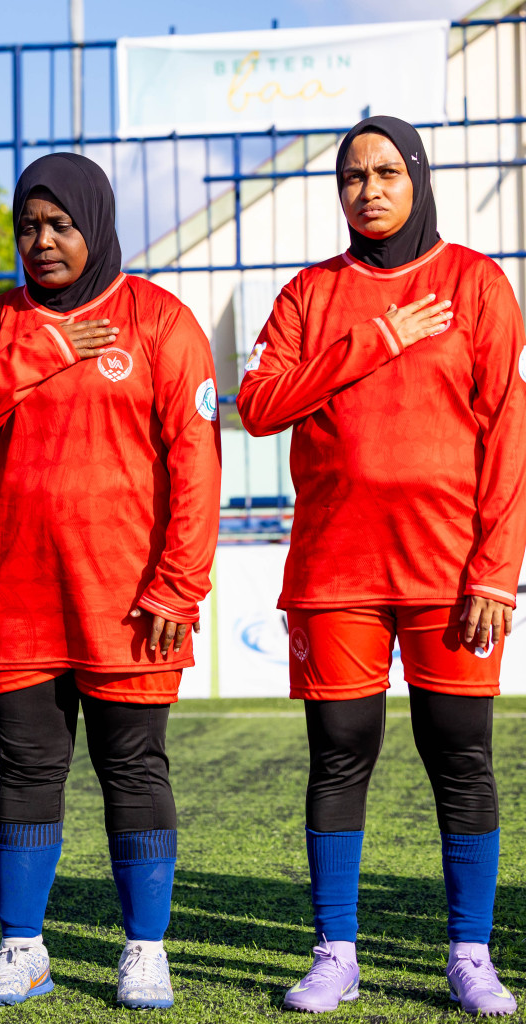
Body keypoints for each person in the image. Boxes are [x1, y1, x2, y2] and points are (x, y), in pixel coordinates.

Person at [238, 116, 526, 1017]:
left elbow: (508, 439)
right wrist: (375, 339)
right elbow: (257, 406)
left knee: (461, 758)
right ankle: (336, 952)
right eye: (353, 175)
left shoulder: (476, 284)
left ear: (419, 179)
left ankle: (470, 955)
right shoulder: (309, 295)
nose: (369, 188)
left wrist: (495, 569)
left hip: (450, 573)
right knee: (339, 755)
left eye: (387, 172)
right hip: (336, 570)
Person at [0, 153, 221, 1010]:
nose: (43, 241)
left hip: (131, 601)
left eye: (59, 224)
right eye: (28, 226)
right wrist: (35, 356)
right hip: (20, 595)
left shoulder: (161, 322)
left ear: (95, 221)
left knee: (134, 767)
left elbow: (194, 466)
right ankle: (23, 948)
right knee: (26, 767)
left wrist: (177, 585)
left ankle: (146, 949)